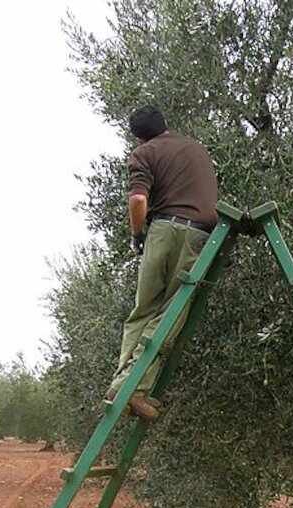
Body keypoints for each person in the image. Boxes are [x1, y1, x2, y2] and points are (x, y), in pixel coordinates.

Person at [104, 106, 219, 422]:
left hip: (163, 230)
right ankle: (129, 387)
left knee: (144, 309)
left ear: (139, 137)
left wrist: (136, 234)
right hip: (197, 234)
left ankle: (124, 384)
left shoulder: (144, 153)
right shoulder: (195, 148)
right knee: (171, 311)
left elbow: (138, 200)